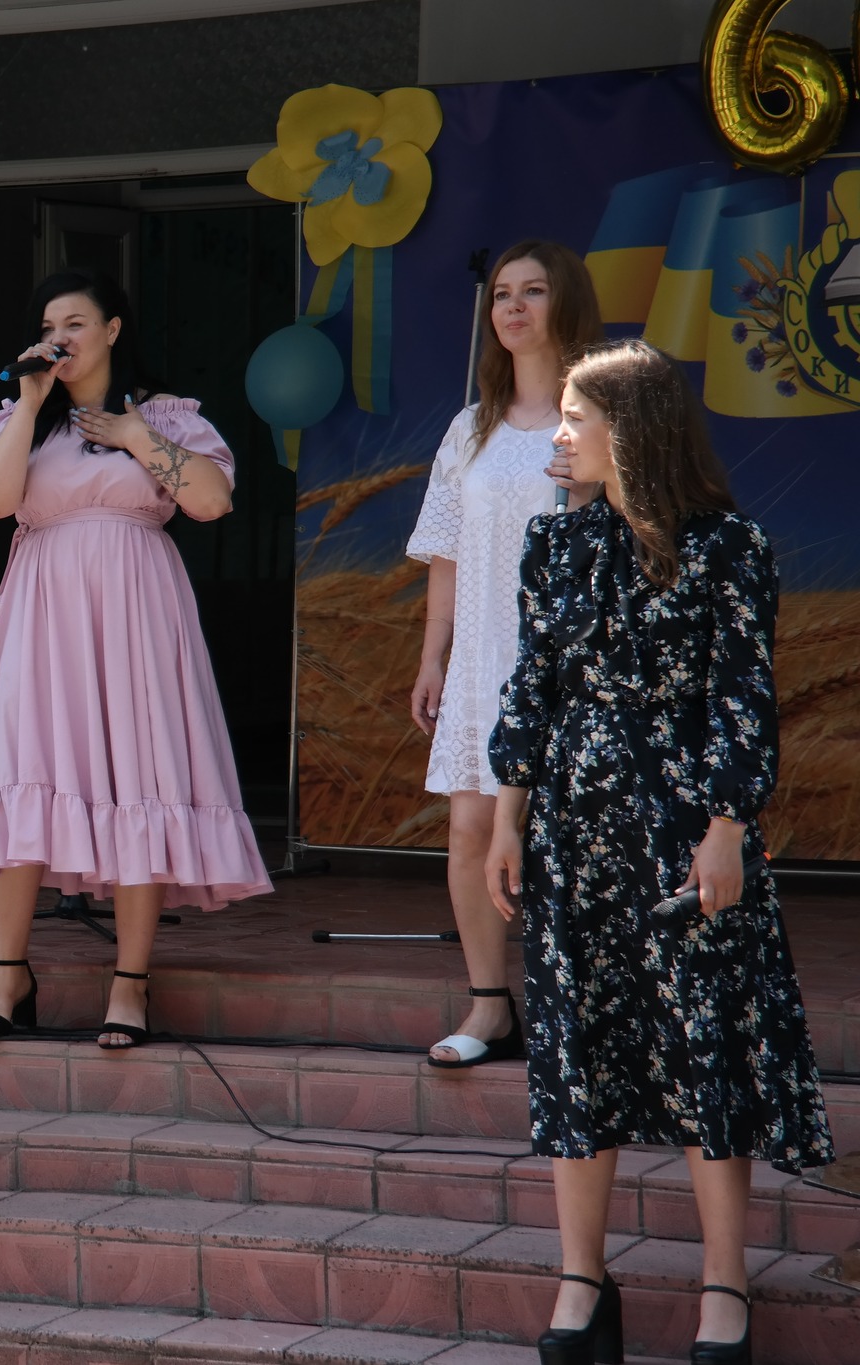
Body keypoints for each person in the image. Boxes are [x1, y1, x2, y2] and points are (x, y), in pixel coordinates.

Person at [486, 340, 832, 1365]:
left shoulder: (728, 545)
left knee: (702, 1044)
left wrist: (725, 829)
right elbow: (530, 687)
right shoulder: (554, 544)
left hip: (683, 829)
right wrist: (505, 819)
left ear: (628, 430)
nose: (557, 436)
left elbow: (742, 696)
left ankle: (724, 1286)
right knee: (576, 1052)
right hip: (571, 828)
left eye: (574, 418)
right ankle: (581, 1285)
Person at [0, 268, 273, 1049]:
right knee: (25, 772)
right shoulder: (21, 420)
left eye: (74, 322)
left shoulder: (164, 417)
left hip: (137, 609)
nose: (58, 336)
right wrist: (30, 403)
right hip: (43, 612)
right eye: (47, 326)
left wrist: (134, 436)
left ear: (112, 330)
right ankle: (9, 974)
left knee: (141, 777)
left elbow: (211, 500)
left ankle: (129, 982)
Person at [406, 240, 605, 1068]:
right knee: (469, 829)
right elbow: (446, 550)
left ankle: (586, 1010)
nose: (513, 307)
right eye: (500, 294)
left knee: (576, 837)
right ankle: (490, 1004)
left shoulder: (600, 416)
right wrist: (433, 658)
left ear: (568, 302)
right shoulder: (471, 426)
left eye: (533, 291)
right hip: (485, 657)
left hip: (575, 660)